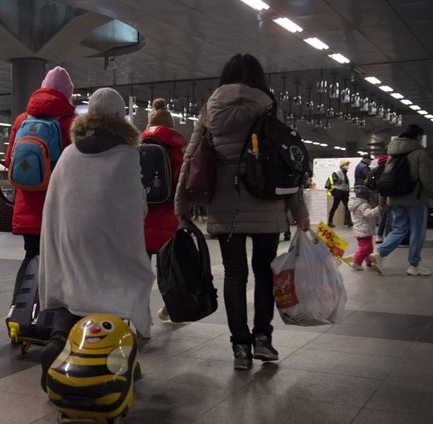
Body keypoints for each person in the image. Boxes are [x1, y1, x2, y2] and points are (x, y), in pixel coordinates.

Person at [174, 53, 310, 370]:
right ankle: (263, 338)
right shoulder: (267, 105)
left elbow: (190, 158)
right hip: (267, 202)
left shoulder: (210, 109)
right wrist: (298, 209)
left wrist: (182, 205)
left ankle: (240, 348)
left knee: (235, 275)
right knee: (264, 274)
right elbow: (286, 162)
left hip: (226, 205)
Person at [38, 87, 155, 389]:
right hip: (110, 239)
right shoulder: (126, 154)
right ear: (119, 117)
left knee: (73, 285)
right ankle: (119, 358)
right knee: (122, 286)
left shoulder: (69, 153)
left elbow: (54, 203)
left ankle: (59, 339)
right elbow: (135, 206)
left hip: (72, 236)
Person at [4, 67, 76, 296]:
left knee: (31, 256)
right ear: (68, 94)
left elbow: (9, 161)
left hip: (27, 204)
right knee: (59, 261)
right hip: (59, 206)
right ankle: (50, 316)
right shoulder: (72, 123)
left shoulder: (21, 120)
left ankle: (18, 310)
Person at [139, 98, 187, 322]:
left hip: (143, 217)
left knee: (140, 270)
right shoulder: (178, 152)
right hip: (169, 217)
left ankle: (140, 313)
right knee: (168, 270)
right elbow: (181, 185)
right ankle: (170, 309)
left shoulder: (138, 148)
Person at [369, 124, 433, 276]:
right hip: (416, 200)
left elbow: (386, 178)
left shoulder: (392, 153)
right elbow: (426, 180)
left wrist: (382, 201)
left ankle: (380, 254)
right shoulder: (420, 153)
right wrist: (430, 195)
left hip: (395, 198)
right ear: (418, 136)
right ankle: (414, 265)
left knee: (399, 229)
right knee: (417, 232)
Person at [348, 185, 385, 270]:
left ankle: (369, 262)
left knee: (369, 247)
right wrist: (378, 209)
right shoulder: (364, 205)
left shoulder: (356, 204)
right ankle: (356, 262)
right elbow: (368, 214)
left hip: (363, 229)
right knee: (365, 248)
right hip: (363, 230)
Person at [326, 159, 353, 228]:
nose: (348, 166)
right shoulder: (337, 172)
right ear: (342, 165)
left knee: (347, 207)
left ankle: (349, 221)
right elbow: (334, 181)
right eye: (346, 165)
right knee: (335, 207)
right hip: (339, 192)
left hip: (345, 192)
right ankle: (330, 221)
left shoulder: (345, 172)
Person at [374, 154, 390, 243]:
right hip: (388, 197)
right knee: (387, 217)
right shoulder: (386, 170)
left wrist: (380, 203)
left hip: (383, 196)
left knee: (385, 217)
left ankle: (380, 235)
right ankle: (386, 237)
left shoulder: (378, 170)